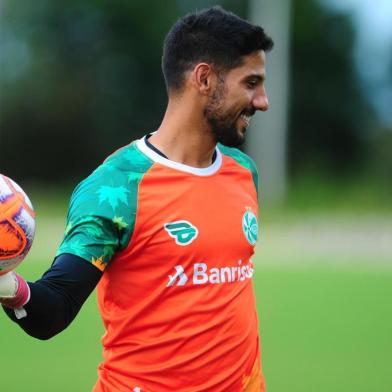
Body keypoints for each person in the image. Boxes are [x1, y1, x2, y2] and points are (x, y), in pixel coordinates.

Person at [0, 6, 273, 391]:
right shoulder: (117, 186)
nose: (263, 101)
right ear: (205, 79)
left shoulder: (244, 171)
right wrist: (6, 285)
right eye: (251, 83)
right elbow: (53, 308)